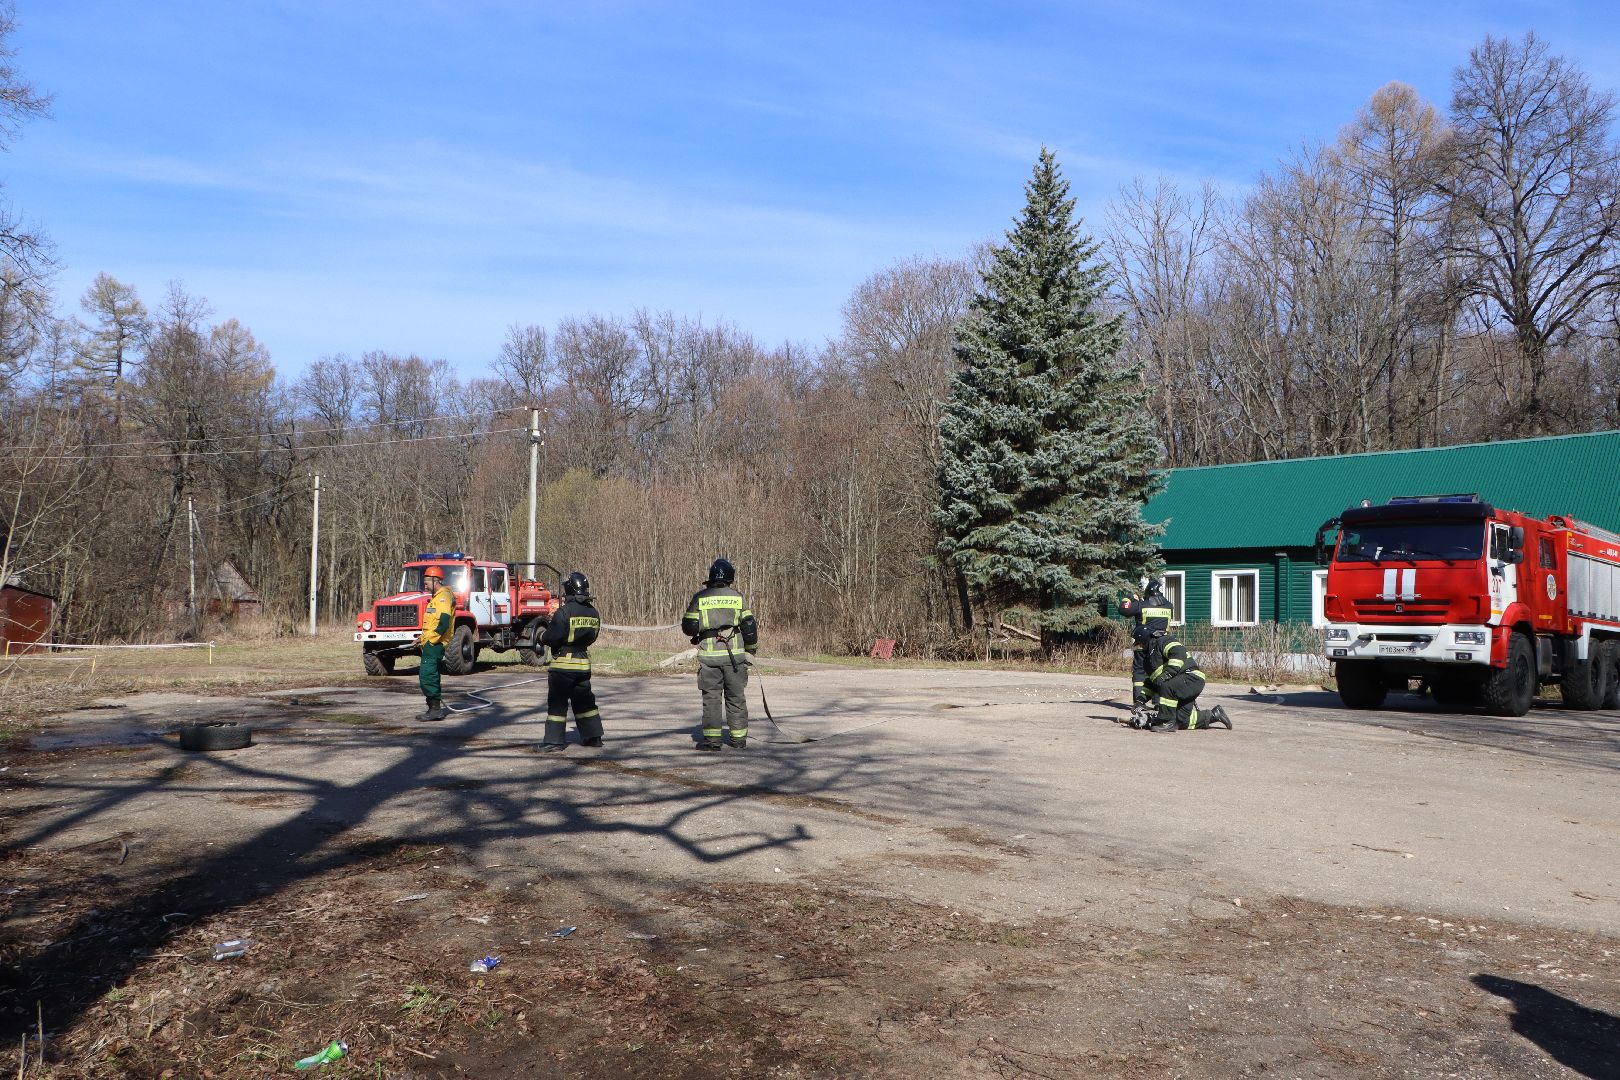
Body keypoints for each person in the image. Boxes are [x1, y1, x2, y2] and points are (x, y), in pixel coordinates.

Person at [681, 557, 758, 751]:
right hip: (735, 658)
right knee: (736, 698)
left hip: (709, 658)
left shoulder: (700, 597)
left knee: (711, 700)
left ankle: (713, 742)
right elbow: (749, 627)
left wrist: (702, 628)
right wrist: (750, 651)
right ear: (731, 578)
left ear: (711, 578)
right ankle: (738, 740)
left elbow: (689, 627)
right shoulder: (738, 597)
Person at [538, 571, 604, 752]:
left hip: (563, 666)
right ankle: (593, 737)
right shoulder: (593, 613)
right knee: (585, 702)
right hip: (583, 664)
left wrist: (542, 637)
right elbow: (593, 637)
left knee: (557, 704)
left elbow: (553, 637)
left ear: (569, 589)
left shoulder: (564, 612)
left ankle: (553, 742)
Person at [1136, 624, 1232, 733]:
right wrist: (1140, 700)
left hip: (1192, 678)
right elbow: (1153, 682)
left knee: (1166, 686)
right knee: (1181, 721)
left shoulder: (1163, 641)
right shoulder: (1148, 660)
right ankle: (1214, 714)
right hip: (1181, 684)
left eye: (1139, 643)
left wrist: (1167, 674)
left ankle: (1166, 721)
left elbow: (1178, 653)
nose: (1139, 647)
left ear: (1144, 639)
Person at [1119, 580, 1174, 705]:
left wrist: (1130, 598)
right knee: (1158, 672)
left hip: (1142, 644)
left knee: (1139, 672)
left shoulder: (1142, 605)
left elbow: (1123, 609)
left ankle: (1139, 702)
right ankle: (1158, 703)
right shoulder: (1169, 606)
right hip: (1161, 644)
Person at [416, 566, 456, 721]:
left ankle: (435, 710)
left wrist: (431, 641)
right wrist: (421, 638)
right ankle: (433, 708)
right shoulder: (436, 598)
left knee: (427, 676)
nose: (425, 585)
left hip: (435, 644)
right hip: (430, 642)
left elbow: (443, 623)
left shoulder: (443, 597)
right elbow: (432, 623)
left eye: (427, 582)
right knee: (430, 675)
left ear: (435, 581)